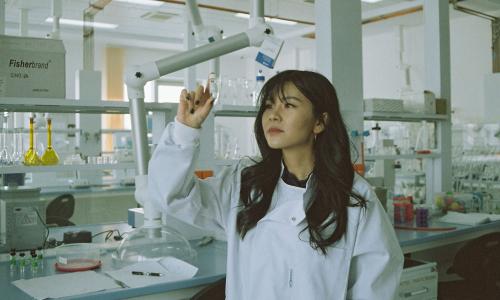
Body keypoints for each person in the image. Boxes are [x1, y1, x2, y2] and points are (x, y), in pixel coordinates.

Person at [148, 70, 404, 299]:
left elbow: (374, 285)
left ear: (320, 121)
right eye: (269, 106)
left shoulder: (355, 198)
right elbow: (171, 196)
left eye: (289, 105)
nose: (273, 115)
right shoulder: (244, 185)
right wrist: (185, 131)